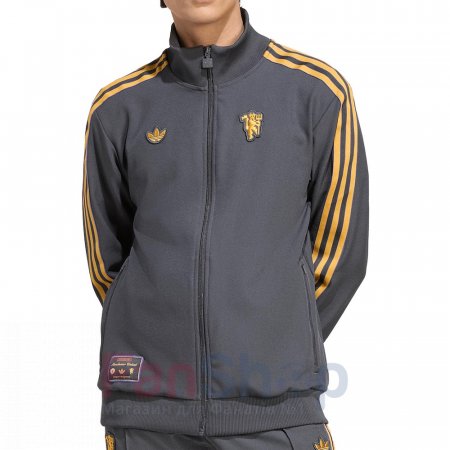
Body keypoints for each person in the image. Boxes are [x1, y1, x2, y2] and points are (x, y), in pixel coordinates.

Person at [82, 0, 369, 448]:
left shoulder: (317, 93)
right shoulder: (117, 108)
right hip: (147, 422)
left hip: (276, 418)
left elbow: (341, 255)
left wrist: (272, 336)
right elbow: (108, 265)